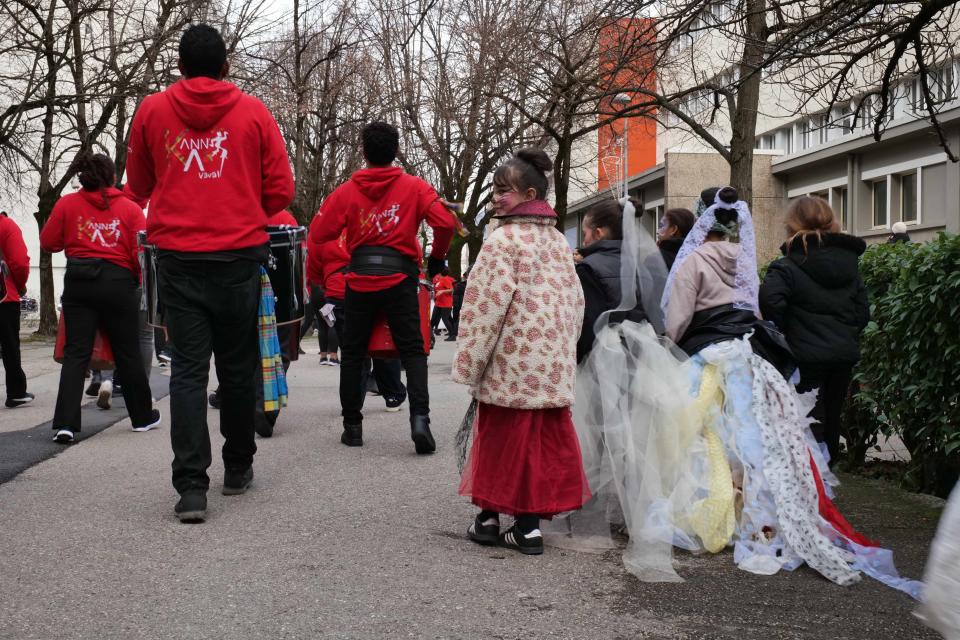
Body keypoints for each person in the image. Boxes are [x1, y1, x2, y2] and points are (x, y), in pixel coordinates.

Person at [646, 187, 920, 594]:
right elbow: (762, 310)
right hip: (754, 355)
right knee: (770, 434)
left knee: (708, 436)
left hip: (712, 352)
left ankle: (716, 510)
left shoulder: (698, 261)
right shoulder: (747, 260)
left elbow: (682, 317)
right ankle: (794, 501)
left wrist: (670, 346)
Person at [124, 24, 295, 523]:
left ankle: (191, 486)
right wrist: (239, 205)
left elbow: (139, 183)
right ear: (225, 66)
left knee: (189, 370)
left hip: (178, 258)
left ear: (179, 67)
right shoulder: (254, 112)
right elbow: (280, 191)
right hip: (239, 255)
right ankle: (238, 466)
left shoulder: (152, 111)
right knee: (239, 367)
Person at [453, 148, 589, 555]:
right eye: (494, 189)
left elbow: (483, 308)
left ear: (528, 192)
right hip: (549, 364)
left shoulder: (502, 241)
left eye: (503, 190)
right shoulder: (560, 244)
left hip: (510, 360)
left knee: (499, 439)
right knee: (537, 445)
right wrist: (566, 348)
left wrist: (470, 363)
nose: (495, 197)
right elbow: (575, 303)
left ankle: (495, 518)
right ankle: (521, 525)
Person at [310, 121, 455, 453]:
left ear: (364, 151)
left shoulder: (346, 191)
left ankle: (353, 427)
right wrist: (437, 257)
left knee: (354, 353)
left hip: (359, 280)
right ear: (396, 150)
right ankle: (420, 420)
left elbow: (319, 234)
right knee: (413, 351)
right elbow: (446, 221)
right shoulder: (415, 188)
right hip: (400, 279)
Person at [40, 153, 160, 443]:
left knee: (76, 354)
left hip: (79, 281)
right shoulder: (130, 209)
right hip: (118, 283)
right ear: (112, 177)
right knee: (127, 351)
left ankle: (66, 424)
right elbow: (139, 254)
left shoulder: (68, 204)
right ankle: (142, 417)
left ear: (83, 177)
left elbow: (49, 242)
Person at [759, 196, 869, 464]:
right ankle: (827, 483)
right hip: (841, 357)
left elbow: (769, 302)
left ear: (792, 224)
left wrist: (790, 330)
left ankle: (810, 487)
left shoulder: (786, 266)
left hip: (802, 357)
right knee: (831, 420)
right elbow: (863, 313)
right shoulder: (850, 266)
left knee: (805, 423)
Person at [575, 197, 662, 363]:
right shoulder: (640, 268)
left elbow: (588, 324)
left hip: (602, 361)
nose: (584, 240)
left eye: (585, 233)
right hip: (639, 357)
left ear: (598, 233)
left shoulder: (588, 268)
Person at [0, 210, 33, 408]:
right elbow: (19, 262)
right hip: (4, 296)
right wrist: (19, 285)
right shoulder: (7, 226)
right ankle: (16, 391)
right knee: (9, 346)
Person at [433, 267, 456, 340]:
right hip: (439, 303)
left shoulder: (446, 279)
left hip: (446, 303)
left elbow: (451, 289)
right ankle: (429, 334)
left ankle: (452, 335)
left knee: (445, 319)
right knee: (434, 319)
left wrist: (442, 291)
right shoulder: (439, 279)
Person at [450, 273, 467, 339]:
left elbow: (456, 296)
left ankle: (454, 334)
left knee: (456, 319)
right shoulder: (463, 284)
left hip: (458, 304)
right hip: (461, 303)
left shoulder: (459, 285)